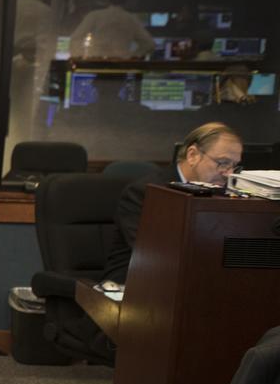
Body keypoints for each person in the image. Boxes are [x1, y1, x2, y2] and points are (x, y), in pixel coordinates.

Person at [103, 121, 242, 284]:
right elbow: (154, 254)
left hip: (195, 280)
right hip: (135, 284)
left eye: (234, 166)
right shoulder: (145, 192)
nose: (228, 174)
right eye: (223, 163)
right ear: (193, 155)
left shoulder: (223, 194)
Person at [68, 0, 156, 60]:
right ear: (126, 0)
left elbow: (76, 38)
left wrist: (80, 58)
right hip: (121, 65)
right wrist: (132, 57)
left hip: (97, 63)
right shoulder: (131, 19)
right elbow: (149, 44)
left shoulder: (95, 15)